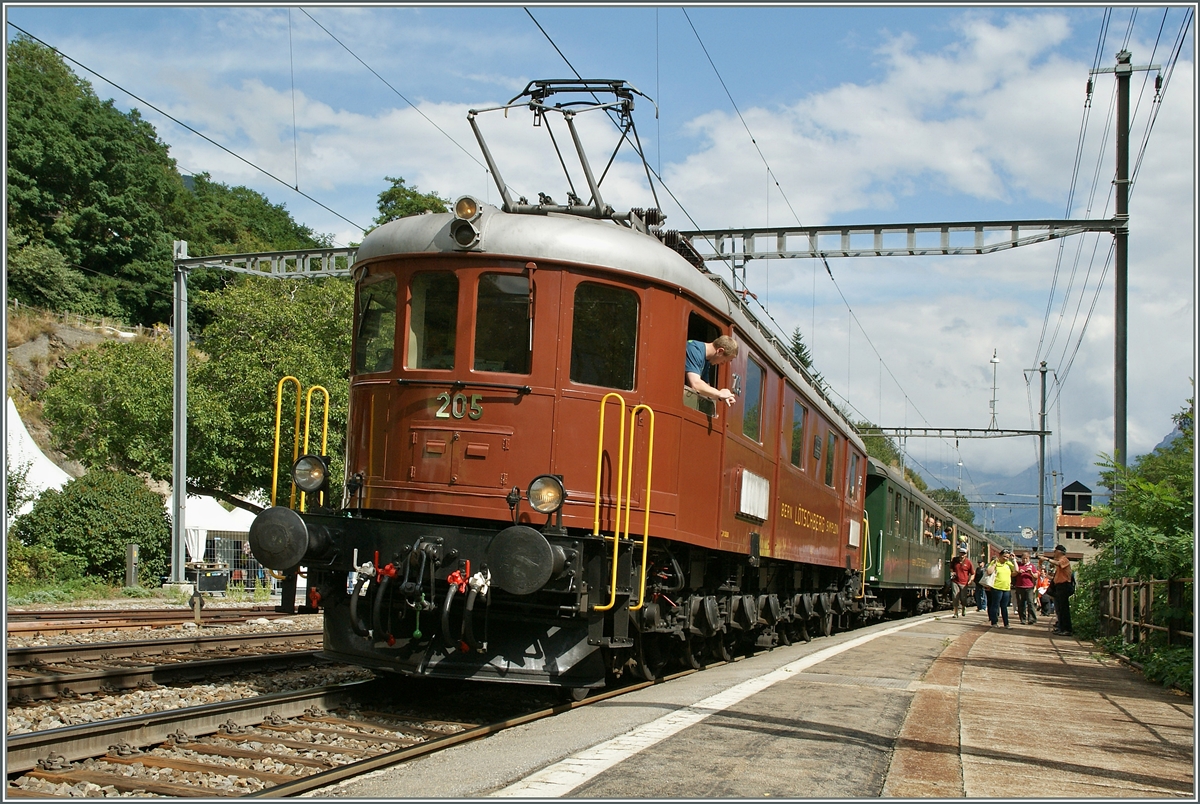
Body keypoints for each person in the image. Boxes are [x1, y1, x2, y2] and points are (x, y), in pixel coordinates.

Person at [684, 336, 738, 411]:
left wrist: (722, 397)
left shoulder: (706, 361)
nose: (722, 364)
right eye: (724, 361)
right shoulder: (694, 349)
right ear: (720, 351)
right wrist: (719, 393)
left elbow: (705, 390)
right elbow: (695, 384)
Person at [985, 549, 1018, 628]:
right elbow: (989, 572)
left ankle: (1006, 623)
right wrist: (995, 564)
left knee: (1004, 606)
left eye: (1007, 557)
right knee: (995, 605)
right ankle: (994, 622)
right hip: (997, 587)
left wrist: (1014, 560)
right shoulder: (995, 562)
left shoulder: (1008, 563)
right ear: (1000, 556)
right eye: (1004, 556)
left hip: (1006, 588)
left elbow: (1017, 570)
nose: (1005, 558)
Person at [1050, 544, 1074, 635]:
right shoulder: (1059, 560)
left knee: (1064, 609)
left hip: (1064, 586)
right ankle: (1061, 627)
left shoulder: (1064, 560)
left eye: (1055, 551)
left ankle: (1067, 629)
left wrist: (1048, 559)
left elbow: (1059, 564)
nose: (1054, 553)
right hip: (1059, 587)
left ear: (1059, 552)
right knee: (1059, 608)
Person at [1012, 552, 1039, 625]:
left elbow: (1036, 576)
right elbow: (1013, 574)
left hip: (1029, 587)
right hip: (1019, 587)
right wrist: (1018, 572)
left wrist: (1031, 573)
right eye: (1023, 558)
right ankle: (1023, 619)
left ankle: (1032, 619)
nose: (1024, 560)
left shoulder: (1032, 566)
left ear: (1029, 558)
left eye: (1026, 558)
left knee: (1030, 603)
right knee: (1021, 604)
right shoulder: (1018, 565)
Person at [950, 546, 974, 617]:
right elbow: (951, 568)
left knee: (963, 597)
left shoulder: (968, 562)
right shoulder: (955, 560)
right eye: (961, 553)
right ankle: (955, 612)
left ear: (966, 554)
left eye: (964, 553)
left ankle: (964, 607)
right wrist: (952, 572)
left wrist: (970, 580)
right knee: (955, 596)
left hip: (964, 582)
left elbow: (972, 573)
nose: (962, 555)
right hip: (955, 581)